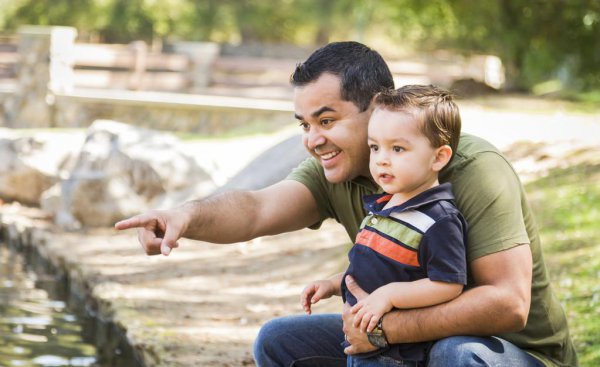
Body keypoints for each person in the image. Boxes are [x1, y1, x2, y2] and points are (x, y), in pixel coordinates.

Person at [114, 41, 577, 367]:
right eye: (304, 124)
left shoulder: (470, 167)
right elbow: (256, 209)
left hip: (505, 352)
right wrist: (185, 216)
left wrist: (384, 330)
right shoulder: (336, 171)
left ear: (377, 108)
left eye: (327, 120)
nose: (314, 140)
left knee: (455, 354)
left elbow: (508, 304)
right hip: (407, 344)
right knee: (279, 342)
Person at [301, 85, 468, 367]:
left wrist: (388, 296)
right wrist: (332, 284)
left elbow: (448, 284)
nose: (381, 159)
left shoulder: (438, 219)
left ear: (438, 157)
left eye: (398, 148)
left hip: (395, 353)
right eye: (375, 147)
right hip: (361, 340)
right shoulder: (383, 206)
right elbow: (375, 267)